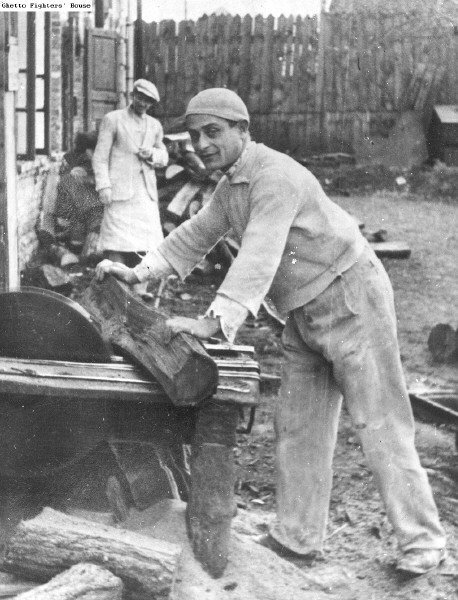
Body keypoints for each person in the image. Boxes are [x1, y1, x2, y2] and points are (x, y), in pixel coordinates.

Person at [95, 88, 447, 575]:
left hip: (351, 298)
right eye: (195, 135)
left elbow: (259, 254)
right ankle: (297, 537)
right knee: (298, 429)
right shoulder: (233, 185)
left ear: (243, 130)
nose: (202, 144)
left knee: (381, 423)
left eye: (214, 132)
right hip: (302, 313)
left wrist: (215, 321)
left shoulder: (275, 176)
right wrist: (137, 273)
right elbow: (196, 234)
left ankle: (423, 542)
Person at [92, 78, 168, 299]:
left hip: (145, 192)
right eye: (140, 98)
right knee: (116, 241)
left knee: (147, 243)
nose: (143, 104)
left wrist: (152, 154)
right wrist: (103, 186)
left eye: (148, 101)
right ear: (132, 96)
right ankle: (119, 291)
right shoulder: (113, 119)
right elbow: (99, 157)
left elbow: (164, 156)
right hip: (119, 192)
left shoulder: (154, 125)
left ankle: (140, 290)